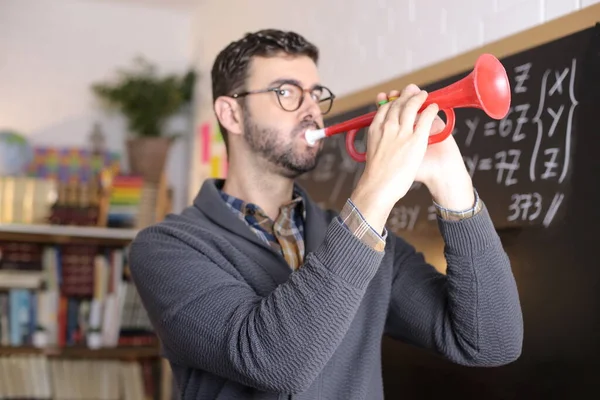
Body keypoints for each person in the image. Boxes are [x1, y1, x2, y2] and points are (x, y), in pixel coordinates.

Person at [128, 29, 523, 400]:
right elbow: (273, 360)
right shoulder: (166, 248)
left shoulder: (370, 246)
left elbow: (491, 342)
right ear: (231, 113)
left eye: (316, 94)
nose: (312, 110)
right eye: (286, 92)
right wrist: (377, 190)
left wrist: (451, 183)